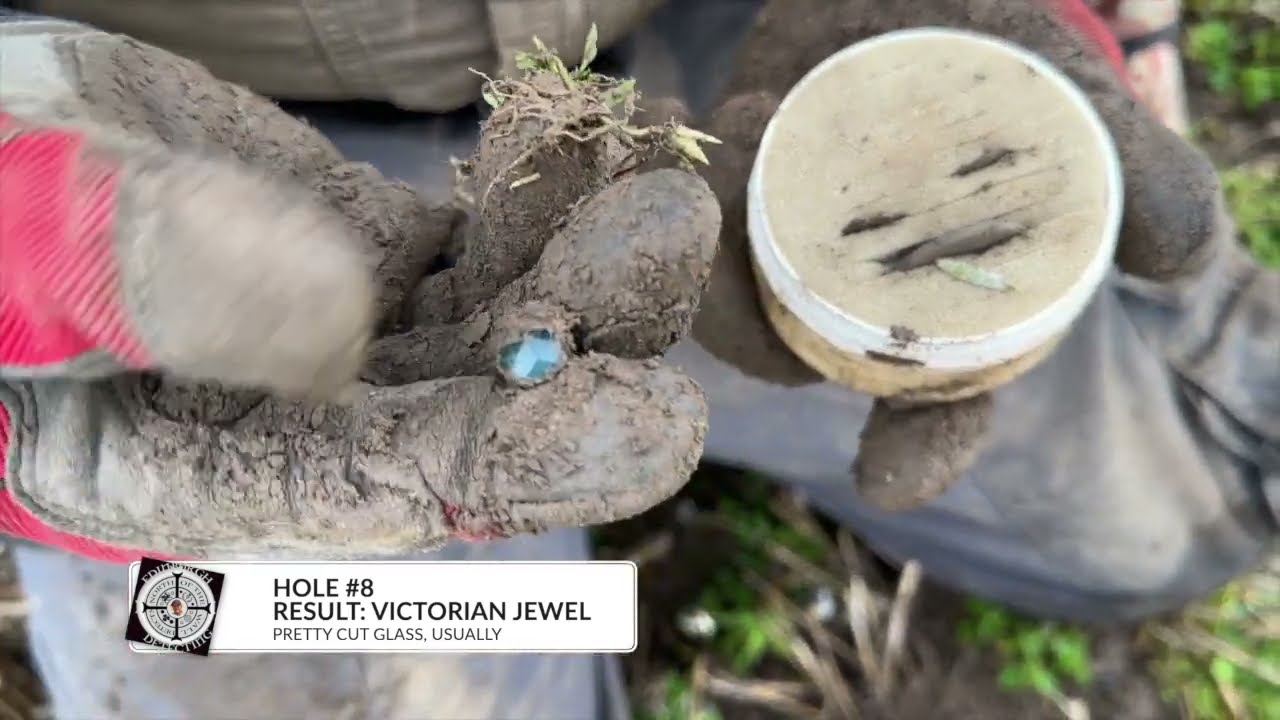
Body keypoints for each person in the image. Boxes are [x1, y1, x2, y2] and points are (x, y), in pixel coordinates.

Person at [0, 0, 1274, 717]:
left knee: (1181, 509)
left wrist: (985, 42)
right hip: (158, 151)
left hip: (740, 67)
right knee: (244, 615)